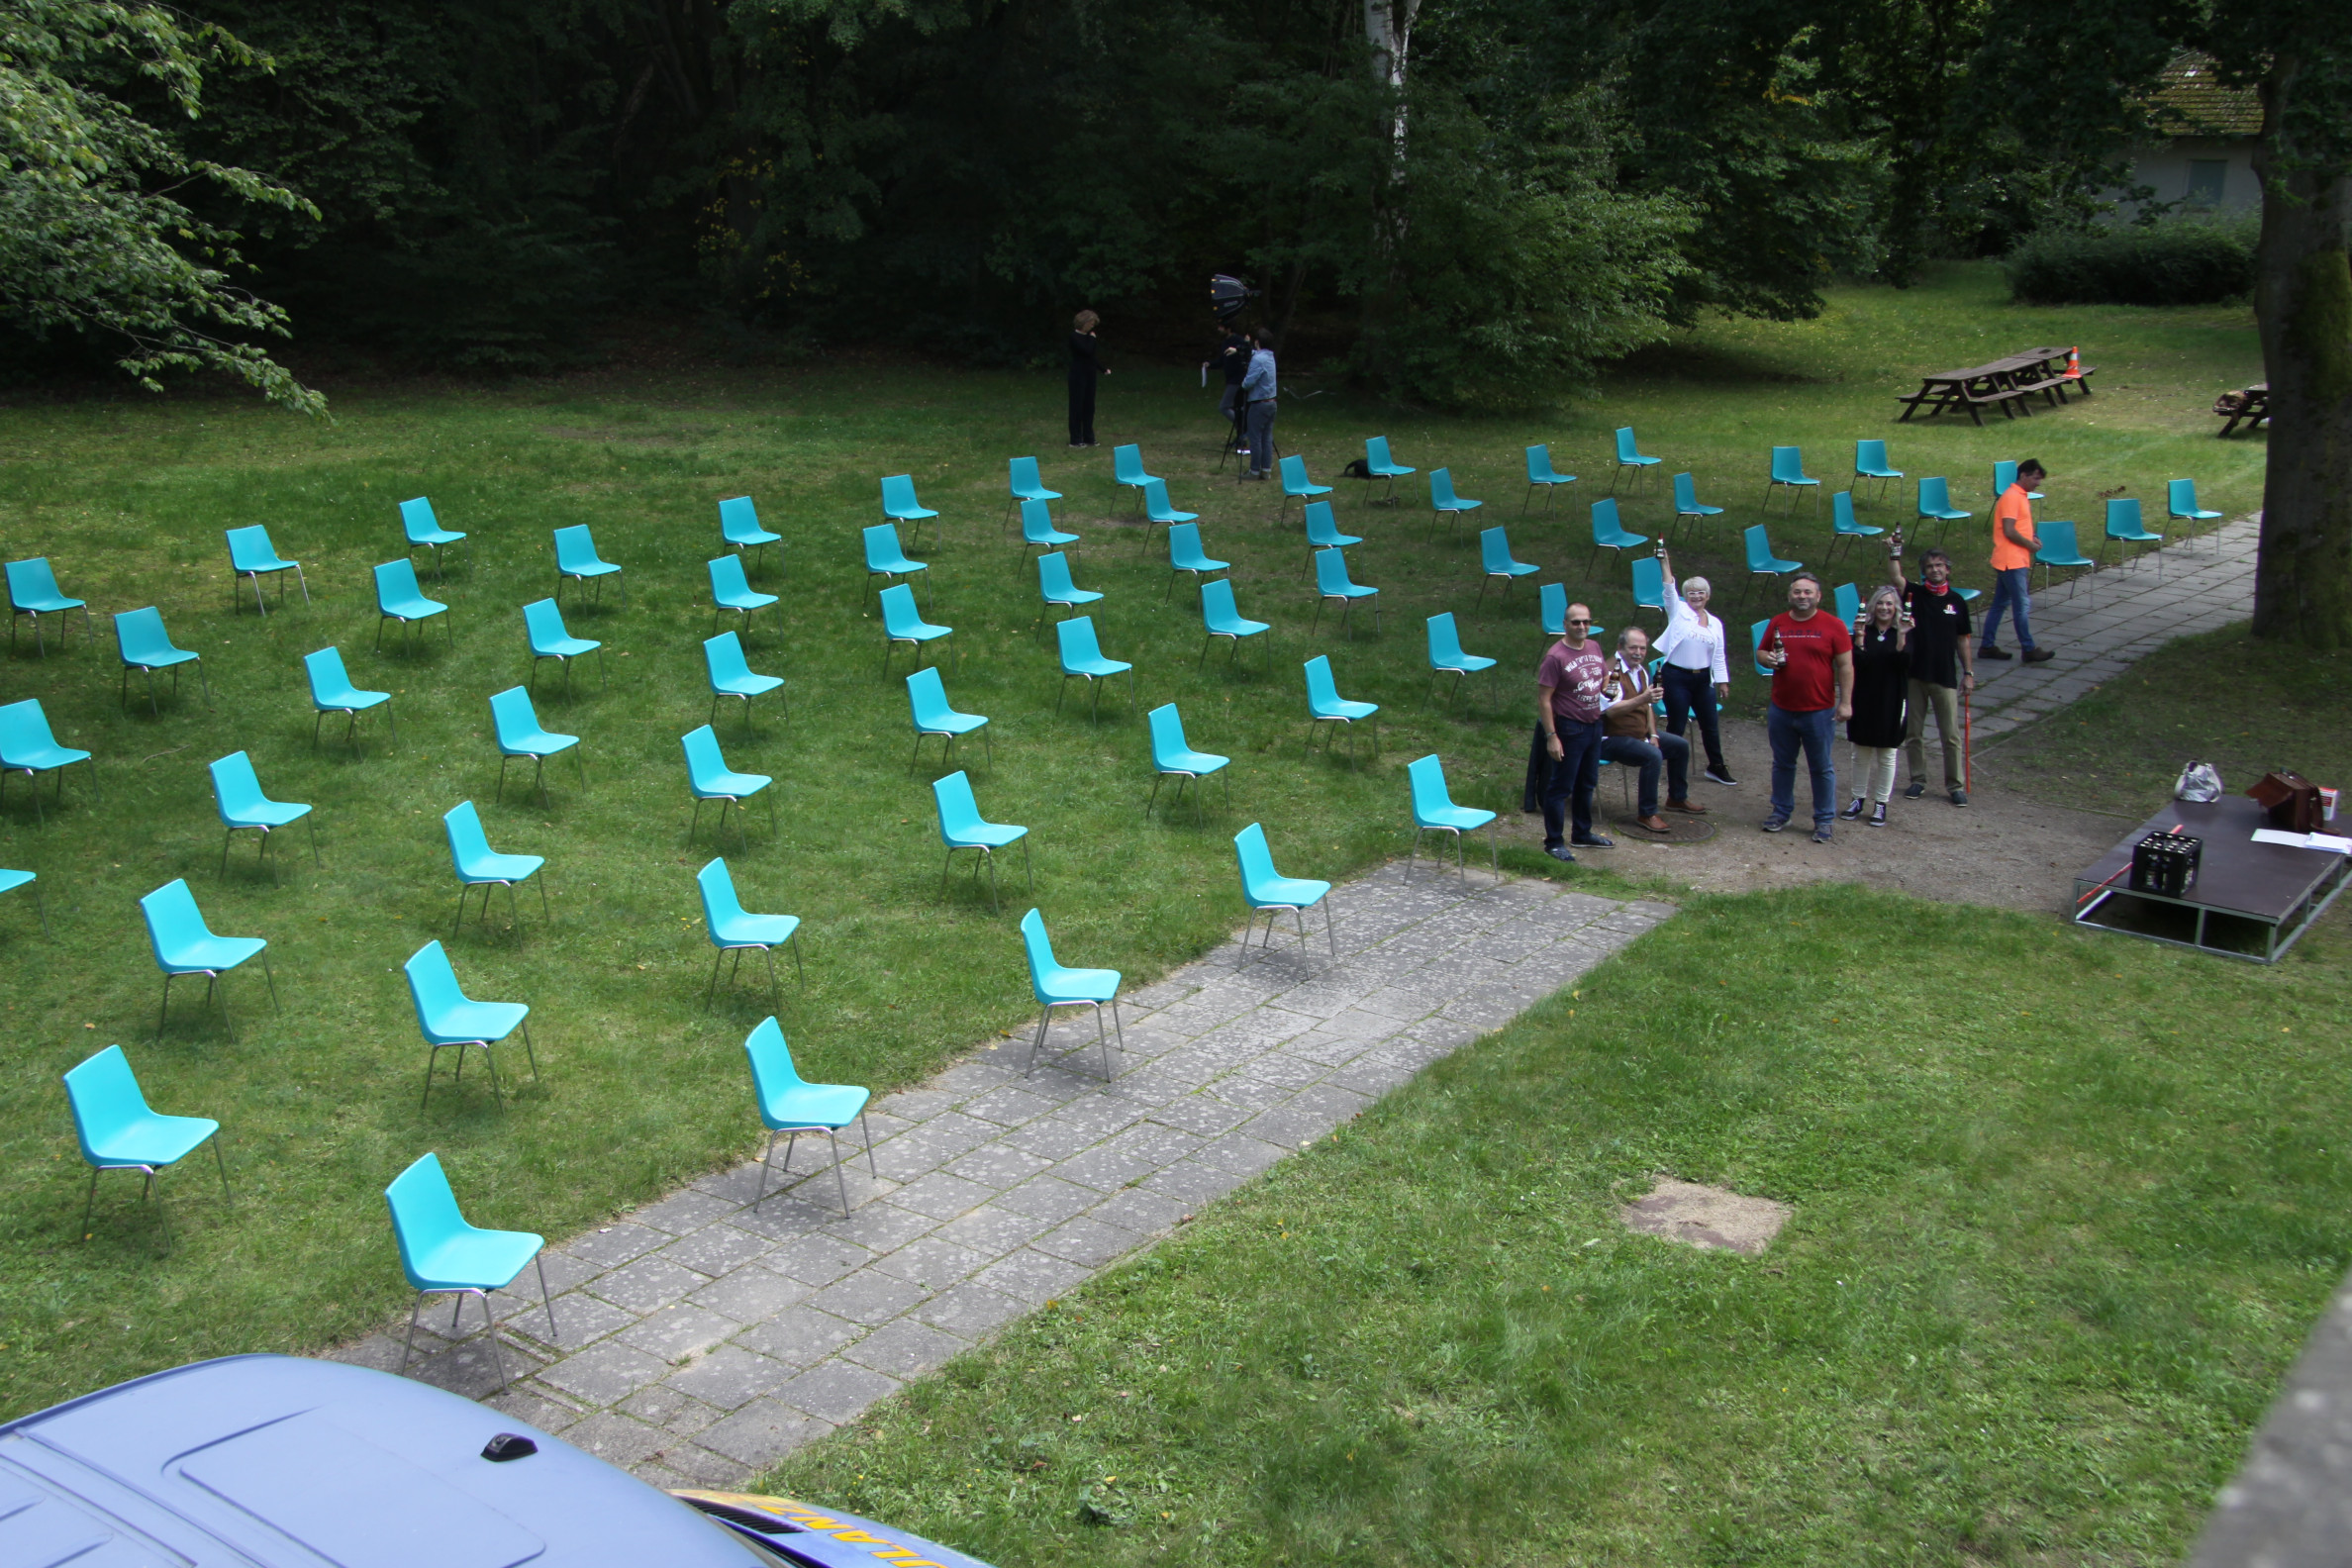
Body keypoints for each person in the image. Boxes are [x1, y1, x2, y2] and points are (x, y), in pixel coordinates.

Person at [1755, 571, 1853, 842]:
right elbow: (1761, 652)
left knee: (1821, 767)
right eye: (1797, 591)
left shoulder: (1834, 625)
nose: (1802, 596)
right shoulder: (1778, 622)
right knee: (1782, 764)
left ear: (1818, 596)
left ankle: (1824, 820)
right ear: (1790, 595)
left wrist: (1846, 702)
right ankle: (1781, 812)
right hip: (1782, 708)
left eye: (1808, 592)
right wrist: (1766, 659)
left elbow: (1846, 666)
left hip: (1819, 710)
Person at [1886, 533, 1976, 806]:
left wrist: (1968, 673)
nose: (1935, 570)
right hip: (1914, 674)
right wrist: (1894, 552)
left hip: (1944, 676)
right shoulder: (1915, 594)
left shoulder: (1957, 602)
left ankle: (1955, 785)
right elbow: (1896, 578)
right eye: (1929, 567)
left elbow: (1963, 640)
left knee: (1950, 735)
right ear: (1923, 571)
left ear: (1947, 570)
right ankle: (1918, 780)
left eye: (1939, 565)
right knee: (1914, 733)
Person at [1598, 627, 1697, 835]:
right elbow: (1612, 711)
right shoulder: (1611, 672)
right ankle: (1647, 813)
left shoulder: (1641, 671)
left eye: (1642, 648)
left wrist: (1653, 734)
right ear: (1620, 647)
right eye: (1633, 648)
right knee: (1653, 755)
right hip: (1611, 737)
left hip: (1638, 733)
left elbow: (1648, 707)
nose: (1638, 653)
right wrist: (1642, 698)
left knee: (1680, 746)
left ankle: (1677, 798)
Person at [1533, 601, 1612, 860]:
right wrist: (1552, 736)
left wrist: (1608, 687)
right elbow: (1544, 699)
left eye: (1586, 621)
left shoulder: (1594, 646)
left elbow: (1603, 676)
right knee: (1561, 787)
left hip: (1594, 724)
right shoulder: (1555, 657)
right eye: (1576, 622)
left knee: (1587, 782)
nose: (1582, 626)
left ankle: (1582, 833)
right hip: (1569, 727)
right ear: (1565, 624)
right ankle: (1554, 842)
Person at [1653, 547, 1734, 786]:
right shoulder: (1678, 612)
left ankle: (1716, 766)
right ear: (1685, 596)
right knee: (1676, 724)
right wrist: (1664, 562)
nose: (1696, 597)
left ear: (1707, 596)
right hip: (1676, 677)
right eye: (1691, 593)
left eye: (1700, 593)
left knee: (1710, 724)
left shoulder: (1715, 623)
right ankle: (1669, 766)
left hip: (1703, 679)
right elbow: (1669, 588)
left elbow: (1718, 653)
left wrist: (1723, 681)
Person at [1839, 586, 1909, 828]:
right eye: (1880, 603)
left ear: (1896, 608)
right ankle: (1857, 799)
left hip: (1892, 698)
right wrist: (1859, 638)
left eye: (1889, 604)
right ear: (1872, 607)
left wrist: (1902, 638)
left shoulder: (1904, 632)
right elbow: (1857, 663)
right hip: (1864, 697)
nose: (1884, 608)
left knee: (1887, 754)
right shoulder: (1863, 632)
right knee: (1860, 752)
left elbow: (1904, 664)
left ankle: (1881, 803)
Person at [1981, 457, 2054, 663]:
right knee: (2021, 604)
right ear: (2023, 475)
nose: (2038, 483)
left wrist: (2032, 537)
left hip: (2013, 559)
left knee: (1999, 604)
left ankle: (1987, 646)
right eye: (2035, 478)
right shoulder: (2012, 497)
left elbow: (2019, 526)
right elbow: (2009, 530)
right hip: (2011, 561)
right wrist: (2030, 545)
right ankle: (2028, 649)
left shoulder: (2020, 496)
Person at [1237, 329, 1278, 480]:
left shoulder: (1258, 360)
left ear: (1257, 342)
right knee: (1267, 438)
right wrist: (1246, 348)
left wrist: (1242, 384)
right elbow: (1256, 354)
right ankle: (1266, 470)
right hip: (1271, 402)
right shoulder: (1270, 357)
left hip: (1259, 403)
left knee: (1255, 438)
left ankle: (1254, 471)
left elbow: (1248, 383)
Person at [1205, 323, 1252, 450]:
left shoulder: (1238, 341)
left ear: (1228, 328)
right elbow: (1223, 360)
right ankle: (1241, 434)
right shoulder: (1226, 341)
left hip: (1238, 380)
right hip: (1231, 379)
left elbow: (1247, 354)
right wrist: (1210, 365)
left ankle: (1244, 429)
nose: (1218, 329)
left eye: (1221, 326)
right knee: (1235, 408)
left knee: (1224, 407)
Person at [1067, 310, 1108, 448]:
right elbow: (1087, 351)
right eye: (1090, 323)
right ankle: (1075, 439)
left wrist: (1102, 369)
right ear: (1083, 322)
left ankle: (1089, 437)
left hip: (1090, 375)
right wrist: (1093, 339)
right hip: (1077, 375)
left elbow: (1092, 358)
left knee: (1089, 406)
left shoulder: (1089, 337)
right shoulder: (1075, 337)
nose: (1092, 326)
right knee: (1077, 407)